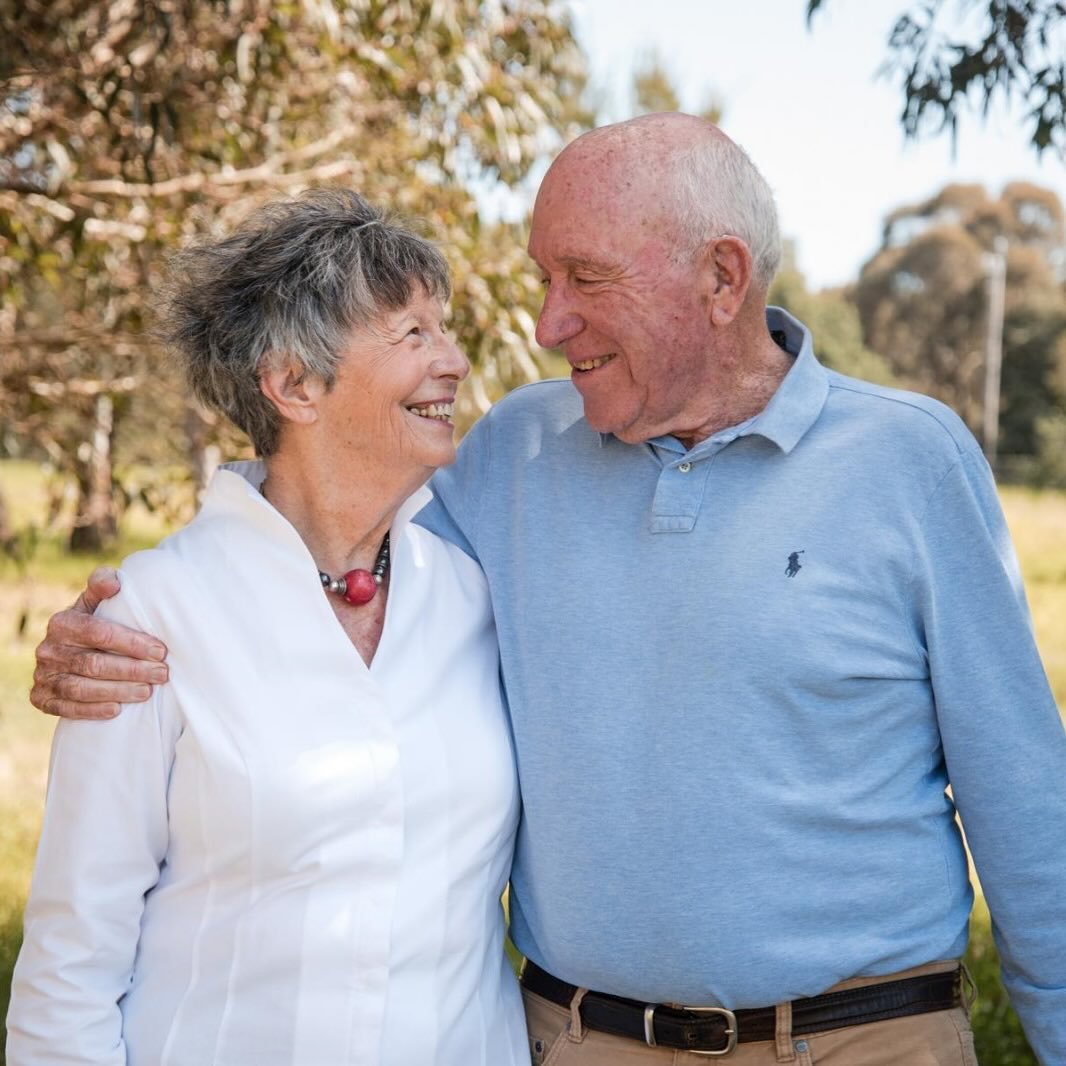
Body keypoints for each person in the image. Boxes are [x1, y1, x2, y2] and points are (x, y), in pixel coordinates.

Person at [28, 115, 1066, 1064]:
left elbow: (1023, 802)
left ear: (721, 276)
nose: (544, 322)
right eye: (542, 277)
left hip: (862, 1042)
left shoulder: (908, 461)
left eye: (584, 276)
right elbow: (316, 537)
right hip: (581, 1040)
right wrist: (115, 624)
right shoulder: (513, 452)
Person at [7, 189, 529, 1066]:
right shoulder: (151, 615)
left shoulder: (474, 594)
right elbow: (71, 961)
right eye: (413, 335)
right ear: (293, 384)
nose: (455, 362)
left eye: (445, 329)